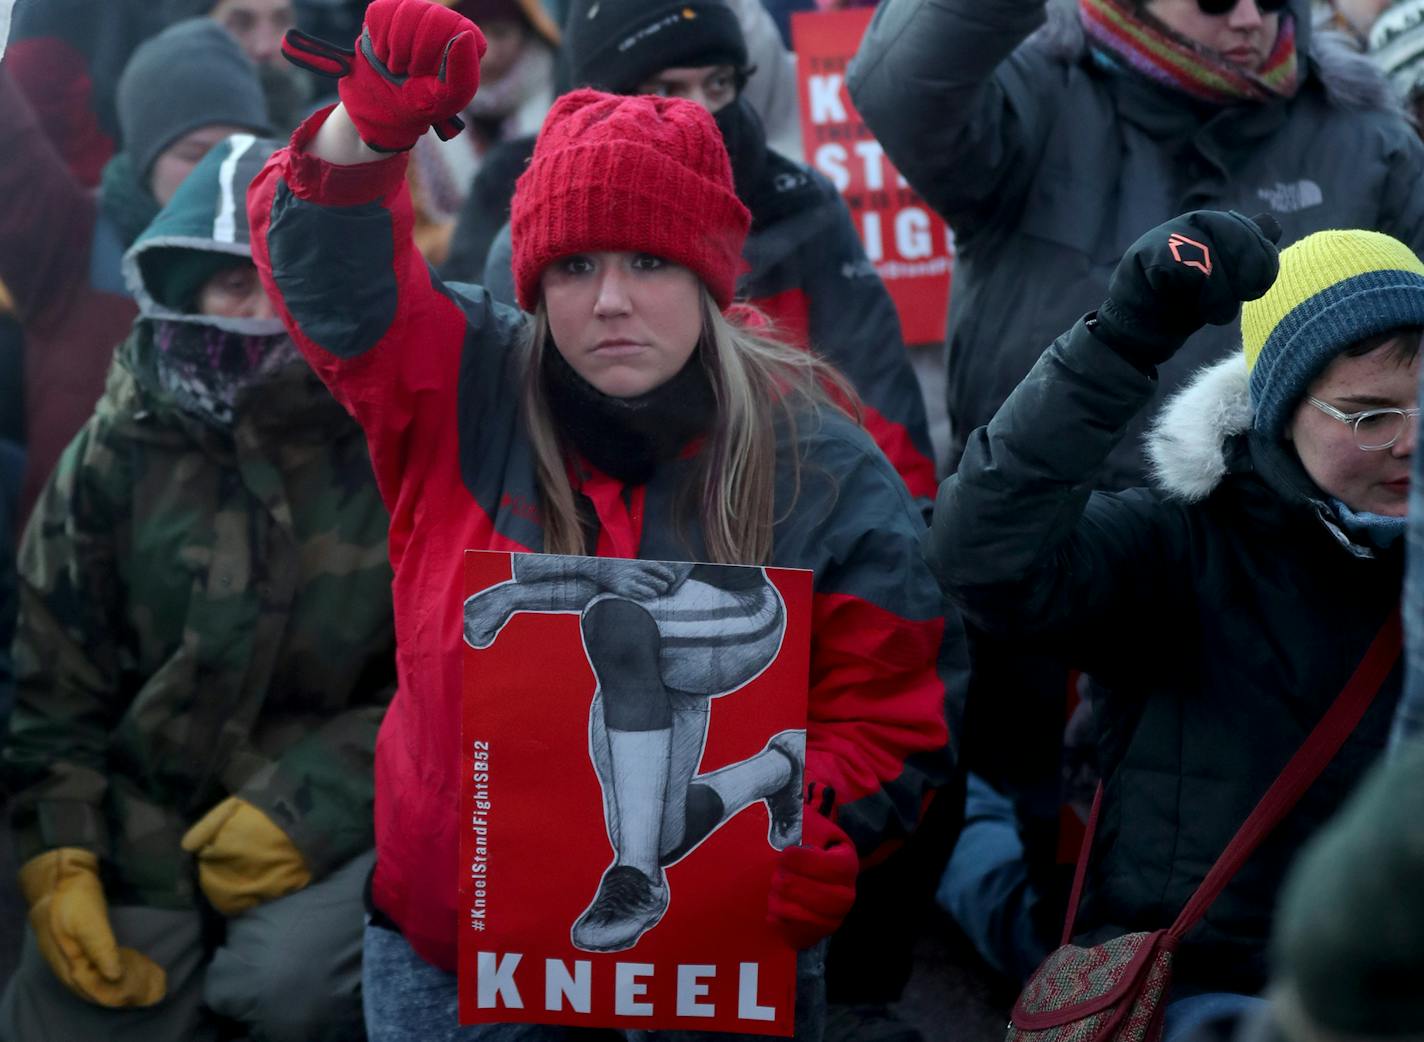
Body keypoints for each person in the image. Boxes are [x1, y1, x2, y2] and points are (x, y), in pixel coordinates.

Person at [246, 1, 957, 1036]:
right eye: (574, 267)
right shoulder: (458, 388)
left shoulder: (820, 461)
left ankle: (676, 842)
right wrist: (368, 129)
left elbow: (892, 708)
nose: (610, 300)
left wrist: (818, 823)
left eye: (649, 262)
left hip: (714, 967)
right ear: (532, 281)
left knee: (623, 627)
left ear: (710, 275)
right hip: (451, 964)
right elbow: (332, 286)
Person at [924, 210, 1414, 1025]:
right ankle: (958, 810)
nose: (1412, 442)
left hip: (1397, 989)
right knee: (1000, 886)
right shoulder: (1180, 542)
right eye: (1370, 416)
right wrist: (1118, 340)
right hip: (1205, 993)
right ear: (1280, 412)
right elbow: (982, 560)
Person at [0, 134, 396, 1042]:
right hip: (145, 824)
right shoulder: (119, 446)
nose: (259, 311)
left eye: (279, 275)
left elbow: (444, 672)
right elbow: (57, 677)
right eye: (229, 283)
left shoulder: (393, 438)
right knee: (70, 1010)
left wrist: (314, 807)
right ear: (185, 291)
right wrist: (60, 849)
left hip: (342, 816)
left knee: (289, 991)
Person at [848, 0, 1424, 493]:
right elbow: (901, 92)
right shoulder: (1032, 100)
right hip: (1050, 554)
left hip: (1289, 565)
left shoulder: (1367, 139)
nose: (1251, 19)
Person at [470, 0, 938, 506]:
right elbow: (512, 447)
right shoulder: (535, 239)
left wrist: (906, 540)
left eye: (719, 83)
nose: (702, 112)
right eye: (667, 90)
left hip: (793, 530)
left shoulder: (804, 205)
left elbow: (876, 406)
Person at [1, 21, 272, 526]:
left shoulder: (290, 264)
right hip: (69, 575)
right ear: (146, 160)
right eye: (195, 155)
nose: (217, 176)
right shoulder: (68, 242)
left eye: (236, 154)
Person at [464, 559, 807, 952]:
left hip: (739, 615)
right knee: (659, 835)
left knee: (615, 620)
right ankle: (783, 766)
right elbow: (526, 563)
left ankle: (639, 877)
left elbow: (654, 575)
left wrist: (518, 595)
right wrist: (527, 587)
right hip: (661, 618)